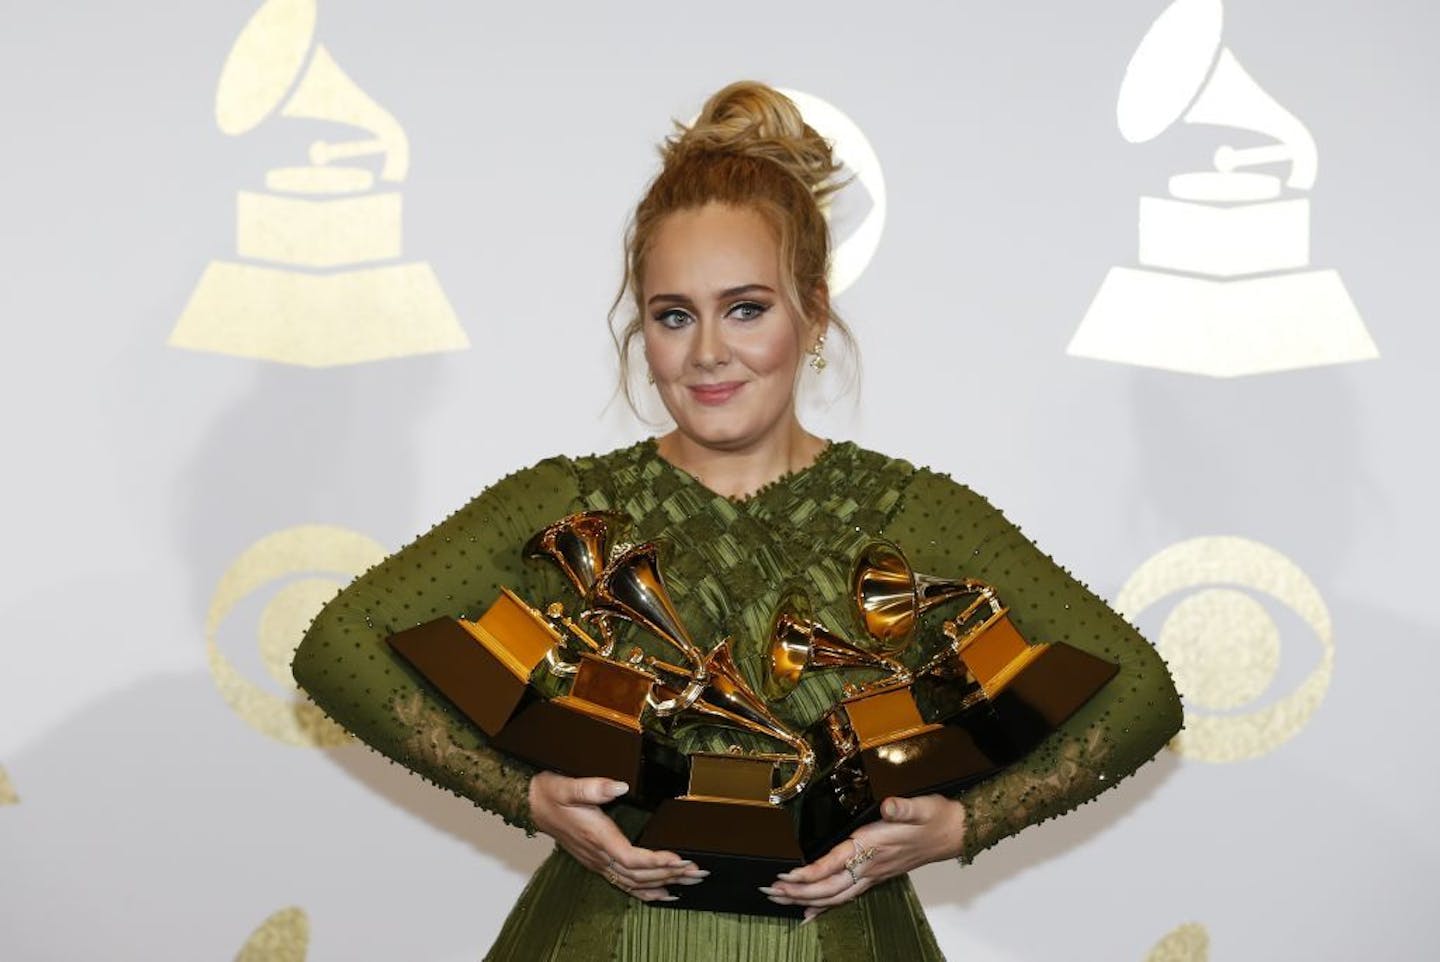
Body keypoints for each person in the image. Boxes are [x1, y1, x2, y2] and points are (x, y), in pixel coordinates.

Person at [291, 80, 1183, 961]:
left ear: (815, 312)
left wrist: (964, 824)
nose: (708, 352)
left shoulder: (916, 514)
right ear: (642, 333)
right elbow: (339, 645)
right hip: (602, 939)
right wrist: (526, 799)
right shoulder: (561, 505)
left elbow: (1141, 692)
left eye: (745, 309)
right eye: (674, 316)